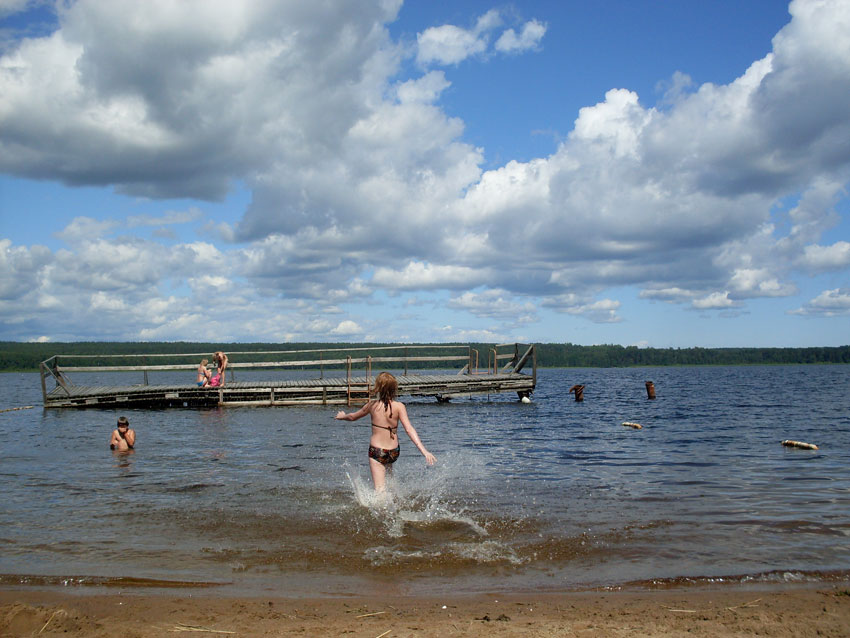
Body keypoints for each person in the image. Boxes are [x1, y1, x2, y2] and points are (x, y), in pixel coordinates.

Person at [335, 371, 436, 491]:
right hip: (394, 452)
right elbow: (409, 429)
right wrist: (425, 452)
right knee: (390, 483)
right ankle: (395, 499)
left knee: (380, 489)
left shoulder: (372, 405)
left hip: (377, 451)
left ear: (378, 388)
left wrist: (342, 416)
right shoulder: (399, 406)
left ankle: (382, 502)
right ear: (394, 389)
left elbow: (352, 417)